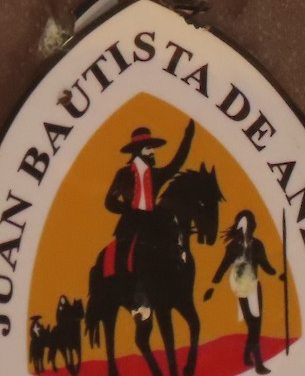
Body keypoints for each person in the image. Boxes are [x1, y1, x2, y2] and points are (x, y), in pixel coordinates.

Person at [103, 121, 195, 314]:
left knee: (173, 242)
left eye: (152, 148)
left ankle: (173, 286)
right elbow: (109, 202)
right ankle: (134, 293)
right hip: (132, 223)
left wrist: (188, 138)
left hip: (154, 222)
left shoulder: (156, 174)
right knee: (127, 253)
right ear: (138, 150)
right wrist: (128, 210)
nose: (152, 152)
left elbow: (177, 162)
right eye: (148, 148)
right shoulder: (123, 174)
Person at [204, 210, 279, 374]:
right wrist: (212, 286)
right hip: (241, 289)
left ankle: (246, 355)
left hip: (254, 287)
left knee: (256, 326)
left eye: (247, 225)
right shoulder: (233, 247)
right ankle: (258, 364)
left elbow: (266, 265)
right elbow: (222, 267)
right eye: (241, 225)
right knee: (252, 325)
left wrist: (278, 275)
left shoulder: (257, 245)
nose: (244, 228)